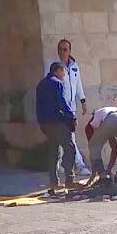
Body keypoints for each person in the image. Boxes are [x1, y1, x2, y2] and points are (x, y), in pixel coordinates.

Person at [50, 39, 90, 175]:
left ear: (69, 51)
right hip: (60, 107)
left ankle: (60, 164)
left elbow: (78, 84)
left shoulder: (74, 66)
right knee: (69, 137)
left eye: (65, 49)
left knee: (64, 136)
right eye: (60, 49)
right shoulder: (54, 65)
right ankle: (79, 165)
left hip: (71, 106)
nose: (62, 52)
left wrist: (83, 101)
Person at [36, 62, 77, 194]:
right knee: (69, 147)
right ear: (58, 71)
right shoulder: (57, 83)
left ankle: (54, 182)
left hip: (45, 123)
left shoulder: (41, 84)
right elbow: (62, 103)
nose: (64, 75)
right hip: (56, 122)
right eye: (63, 72)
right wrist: (71, 116)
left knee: (54, 150)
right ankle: (69, 179)